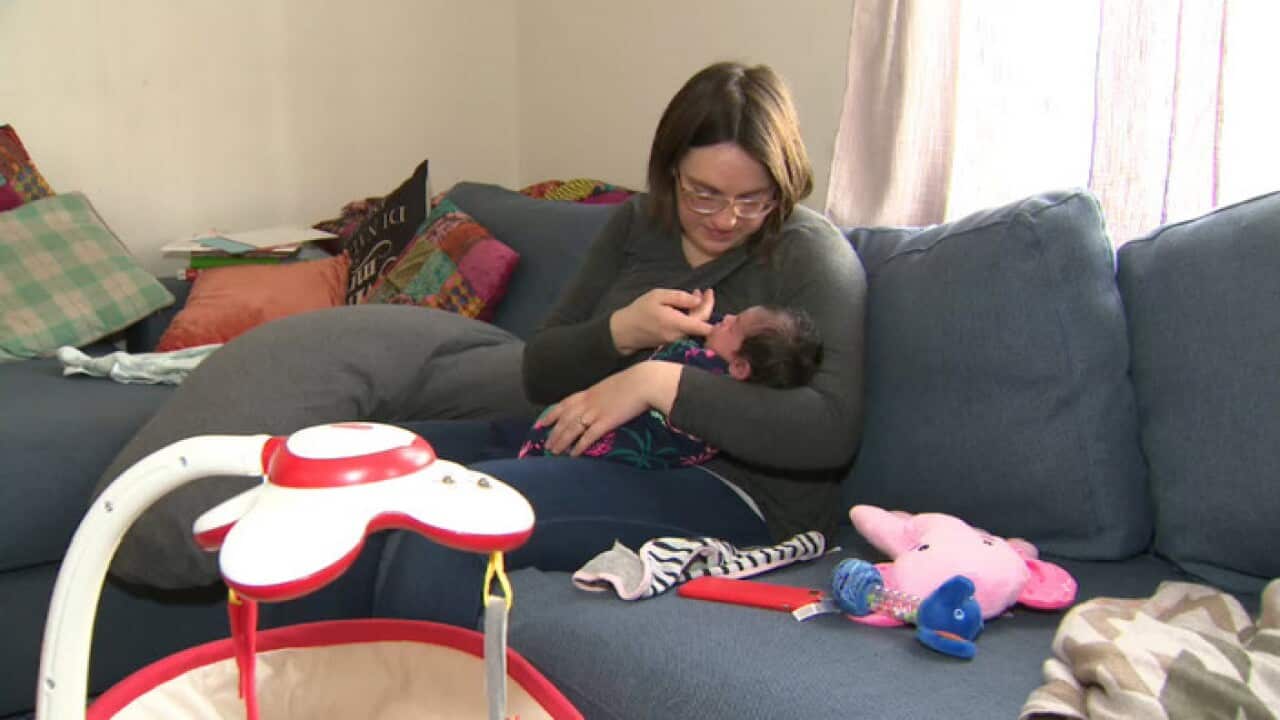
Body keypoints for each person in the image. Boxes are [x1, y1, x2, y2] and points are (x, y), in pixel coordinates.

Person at [373, 60, 867, 628]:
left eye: (753, 199)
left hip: (735, 493)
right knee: (363, 469)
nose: (727, 220)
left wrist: (656, 382)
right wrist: (620, 332)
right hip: (584, 440)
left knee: (453, 519)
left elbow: (830, 430)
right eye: (704, 194)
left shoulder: (810, 255)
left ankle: (417, 677)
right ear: (671, 171)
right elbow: (539, 369)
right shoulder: (639, 224)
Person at [518, 305, 824, 468]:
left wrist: (686, 331)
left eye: (735, 325)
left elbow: (667, 359)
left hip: (590, 449)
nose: (727, 318)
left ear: (741, 367)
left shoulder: (702, 371)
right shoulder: (727, 388)